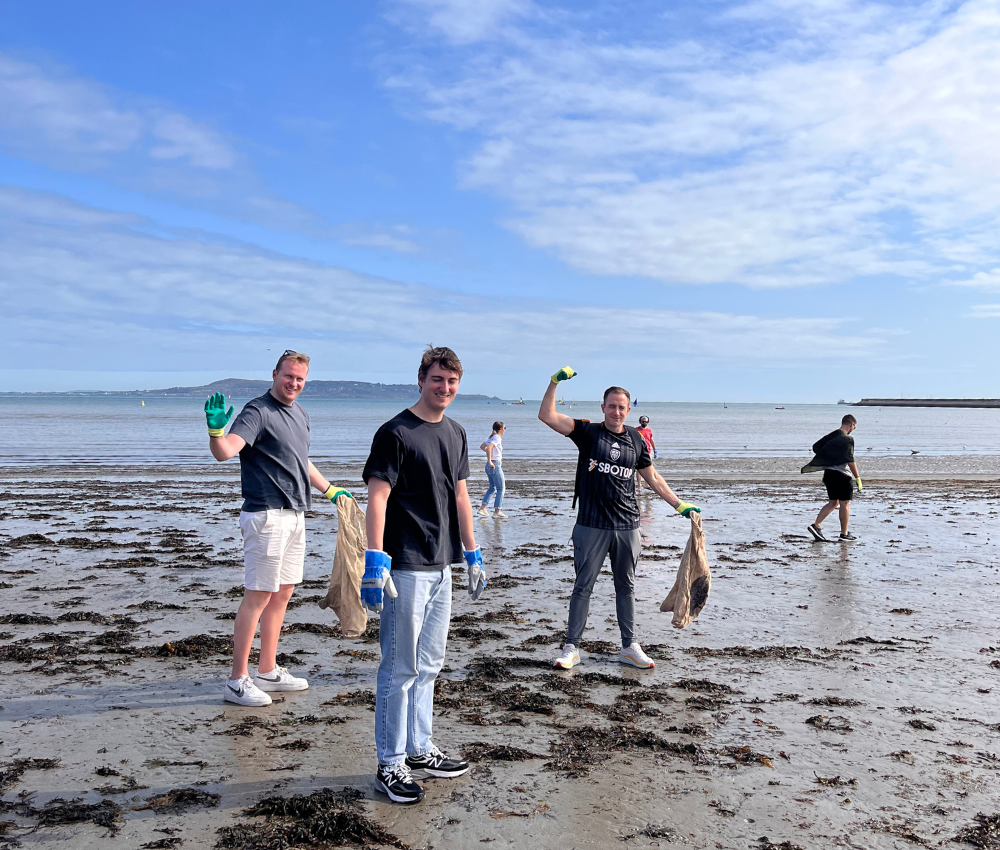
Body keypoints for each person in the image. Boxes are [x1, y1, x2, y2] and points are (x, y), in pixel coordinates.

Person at [362, 345, 485, 805]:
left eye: (452, 382)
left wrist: (471, 553)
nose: (445, 388)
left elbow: (461, 496)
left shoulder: (455, 433)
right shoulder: (395, 432)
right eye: (438, 380)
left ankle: (418, 749)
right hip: (404, 567)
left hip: (441, 566)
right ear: (421, 379)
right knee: (399, 668)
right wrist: (375, 560)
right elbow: (377, 498)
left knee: (429, 666)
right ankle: (389, 763)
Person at [204, 350, 350, 707]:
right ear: (275, 373)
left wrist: (330, 490)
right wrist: (215, 430)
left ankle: (267, 670)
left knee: (283, 593)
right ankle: (237, 680)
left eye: (300, 379)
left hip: (296, 514)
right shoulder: (257, 412)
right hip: (266, 515)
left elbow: (300, 460)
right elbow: (225, 451)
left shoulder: (299, 414)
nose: (293, 384)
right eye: (288, 376)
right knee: (258, 596)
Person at [538, 367, 701, 670]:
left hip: (628, 526)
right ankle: (571, 647)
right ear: (603, 408)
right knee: (582, 586)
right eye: (611, 406)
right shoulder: (587, 432)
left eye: (621, 407)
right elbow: (547, 416)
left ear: (628, 410)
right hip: (591, 525)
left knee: (626, 587)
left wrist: (679, 505)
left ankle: (629, 646)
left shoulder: (637, 440)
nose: (616, 411)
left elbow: (653, 478)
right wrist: (553, 383)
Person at [802, 414, 862, 542]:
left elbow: (816, 447)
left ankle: (816, 525)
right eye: (854, 426)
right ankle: (844, 534)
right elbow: (850, 460)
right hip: (842, 475)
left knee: (833, 502)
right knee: (844, 503)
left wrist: (829, 458)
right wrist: (857, 477)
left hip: (829, 474)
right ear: (851, 424)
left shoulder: (832, 436)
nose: (854, 429)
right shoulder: (847, 440)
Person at [477, 421, 506, 518]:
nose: (505, 430)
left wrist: (489, 458)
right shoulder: (497, 438)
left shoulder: (492, 438)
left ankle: (483, 508)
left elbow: (482, 446)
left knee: (492, 488)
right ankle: (497, 511)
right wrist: (490, 461)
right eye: (504, 428)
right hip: (495, 465)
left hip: (490, 466)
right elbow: (488, 448)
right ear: (501, 430)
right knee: (501, 488)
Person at [635, 415, 657, 493]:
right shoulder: (636, 430)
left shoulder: (649, 431)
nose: (644, 423)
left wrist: (655, 450)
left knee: (649, 468)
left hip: (648, 452)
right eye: (643, 421)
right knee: (639, 469)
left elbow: (651, 440)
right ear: (640, 421)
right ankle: (639, 485)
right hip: (638, 451)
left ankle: (646, 484)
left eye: (646, 421)